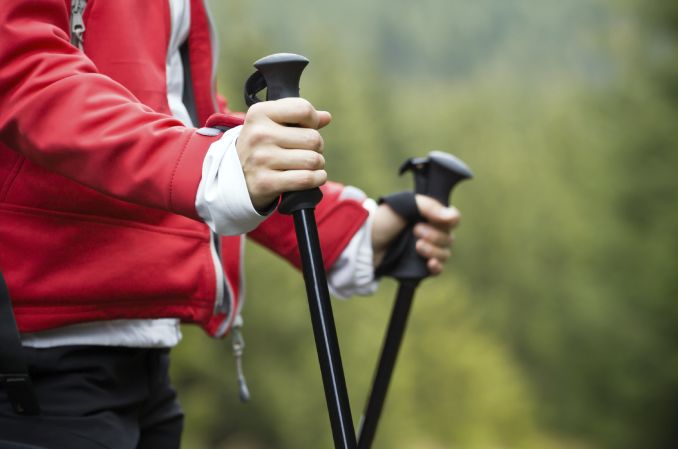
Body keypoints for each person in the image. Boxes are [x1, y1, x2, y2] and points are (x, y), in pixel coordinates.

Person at [0, 1, 461, 448]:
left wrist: (347, 232)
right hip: (31, 367)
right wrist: (209, 164)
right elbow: (23, 69)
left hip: (137, 364)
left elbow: (179, 121)